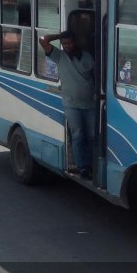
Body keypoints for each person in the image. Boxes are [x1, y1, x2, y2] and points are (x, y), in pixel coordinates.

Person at [39, 30, 95, 178]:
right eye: (64, 43)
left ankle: (93, 164)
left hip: (90, 104)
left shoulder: (87, 57)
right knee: (77, 135)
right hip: (71, 104)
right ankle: (82, 167)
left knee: (92, 136)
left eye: (69, 42)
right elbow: (42, 40)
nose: (67, 46)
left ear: (75, 42)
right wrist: (60, 35)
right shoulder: (59, 56)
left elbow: (95, 77)